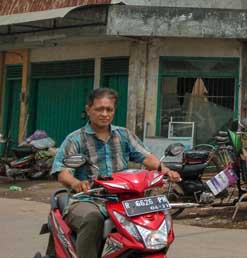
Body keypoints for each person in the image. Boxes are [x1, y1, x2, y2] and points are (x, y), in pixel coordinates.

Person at [49, 88, 181, 258]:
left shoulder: (123, 134)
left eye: (109, 109)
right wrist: (76, 183)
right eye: (99, 109)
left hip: (125, 200)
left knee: (157, 215)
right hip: (89, 199)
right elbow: (62, 172)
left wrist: (165, 170)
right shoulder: (75, 139)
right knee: (92, 219)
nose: (105, 114)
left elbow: (146, 157)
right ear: (88, 109)